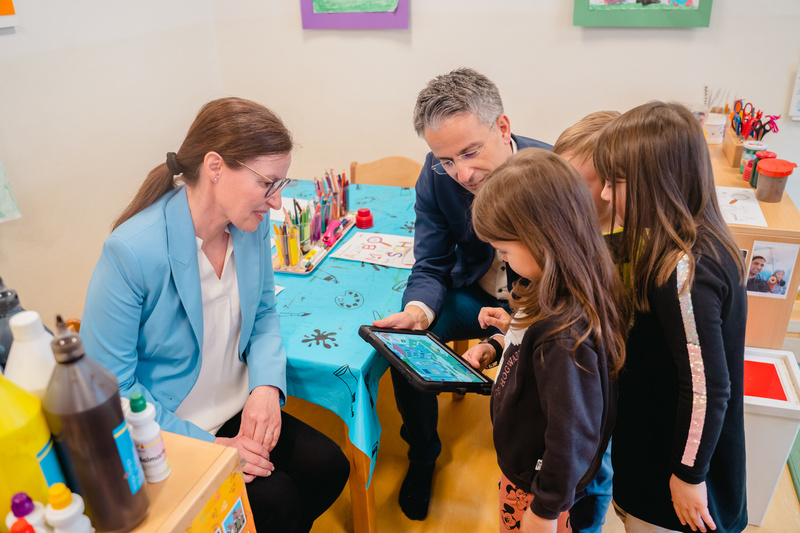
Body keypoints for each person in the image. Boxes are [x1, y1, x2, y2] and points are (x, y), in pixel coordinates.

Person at [80, 97, 349, 533]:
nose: (277, 204)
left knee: (329, 468)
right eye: (269, 184)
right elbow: (111, 389)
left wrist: (265, 387)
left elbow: (263, 313)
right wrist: (210, 448)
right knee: (276, 501)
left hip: (236, 406)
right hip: (170, 428)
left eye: (282, 185)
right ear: (215, 166)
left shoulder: (250, 226)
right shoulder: (132, 252)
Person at [372, 67, 552, 520]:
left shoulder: (551, 170)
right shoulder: (435, 177)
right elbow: (430, 262)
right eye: (446, 160)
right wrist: (417, 312)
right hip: (472, 294)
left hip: (538, 306)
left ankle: (531, 469)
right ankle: (423, 453)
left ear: (503, 128)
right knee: (408, 342)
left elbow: (569, 280)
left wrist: (507, 337)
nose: (462, 173)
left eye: (470, 152)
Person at [596, 101, 748, 533]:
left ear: (658, 184)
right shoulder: (687, 241)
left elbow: (707, 388)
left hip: (674, 472)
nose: (606, 194)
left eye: (616, 183)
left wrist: (688, 474)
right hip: (658, 440)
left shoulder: (684, 271)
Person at [463, 148, 629, 533]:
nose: (502, 259)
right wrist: (499, 342)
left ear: (541, 238)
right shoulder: (548, 287)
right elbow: (529, 344)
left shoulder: (563, 332)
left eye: (504, 250)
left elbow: (572, 434)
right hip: (530, 474)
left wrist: (544, 510)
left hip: (541, 492)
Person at [553, 110, 621, 234]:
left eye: (574, 187)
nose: (560, 194)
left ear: (610, 186)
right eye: (556, 181)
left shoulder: (633, 242)